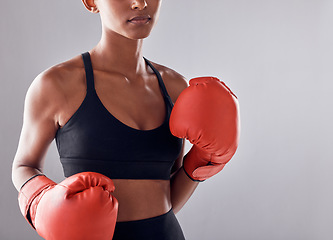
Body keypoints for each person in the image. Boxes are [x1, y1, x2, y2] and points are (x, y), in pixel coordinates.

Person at [11, 0, 239, 239]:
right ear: (91, 2)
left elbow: (166, 198)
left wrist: (199, 162)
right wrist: (41, 201)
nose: (139, 3)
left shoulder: (175, 87)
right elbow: (24, 166)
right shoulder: (57, 85)